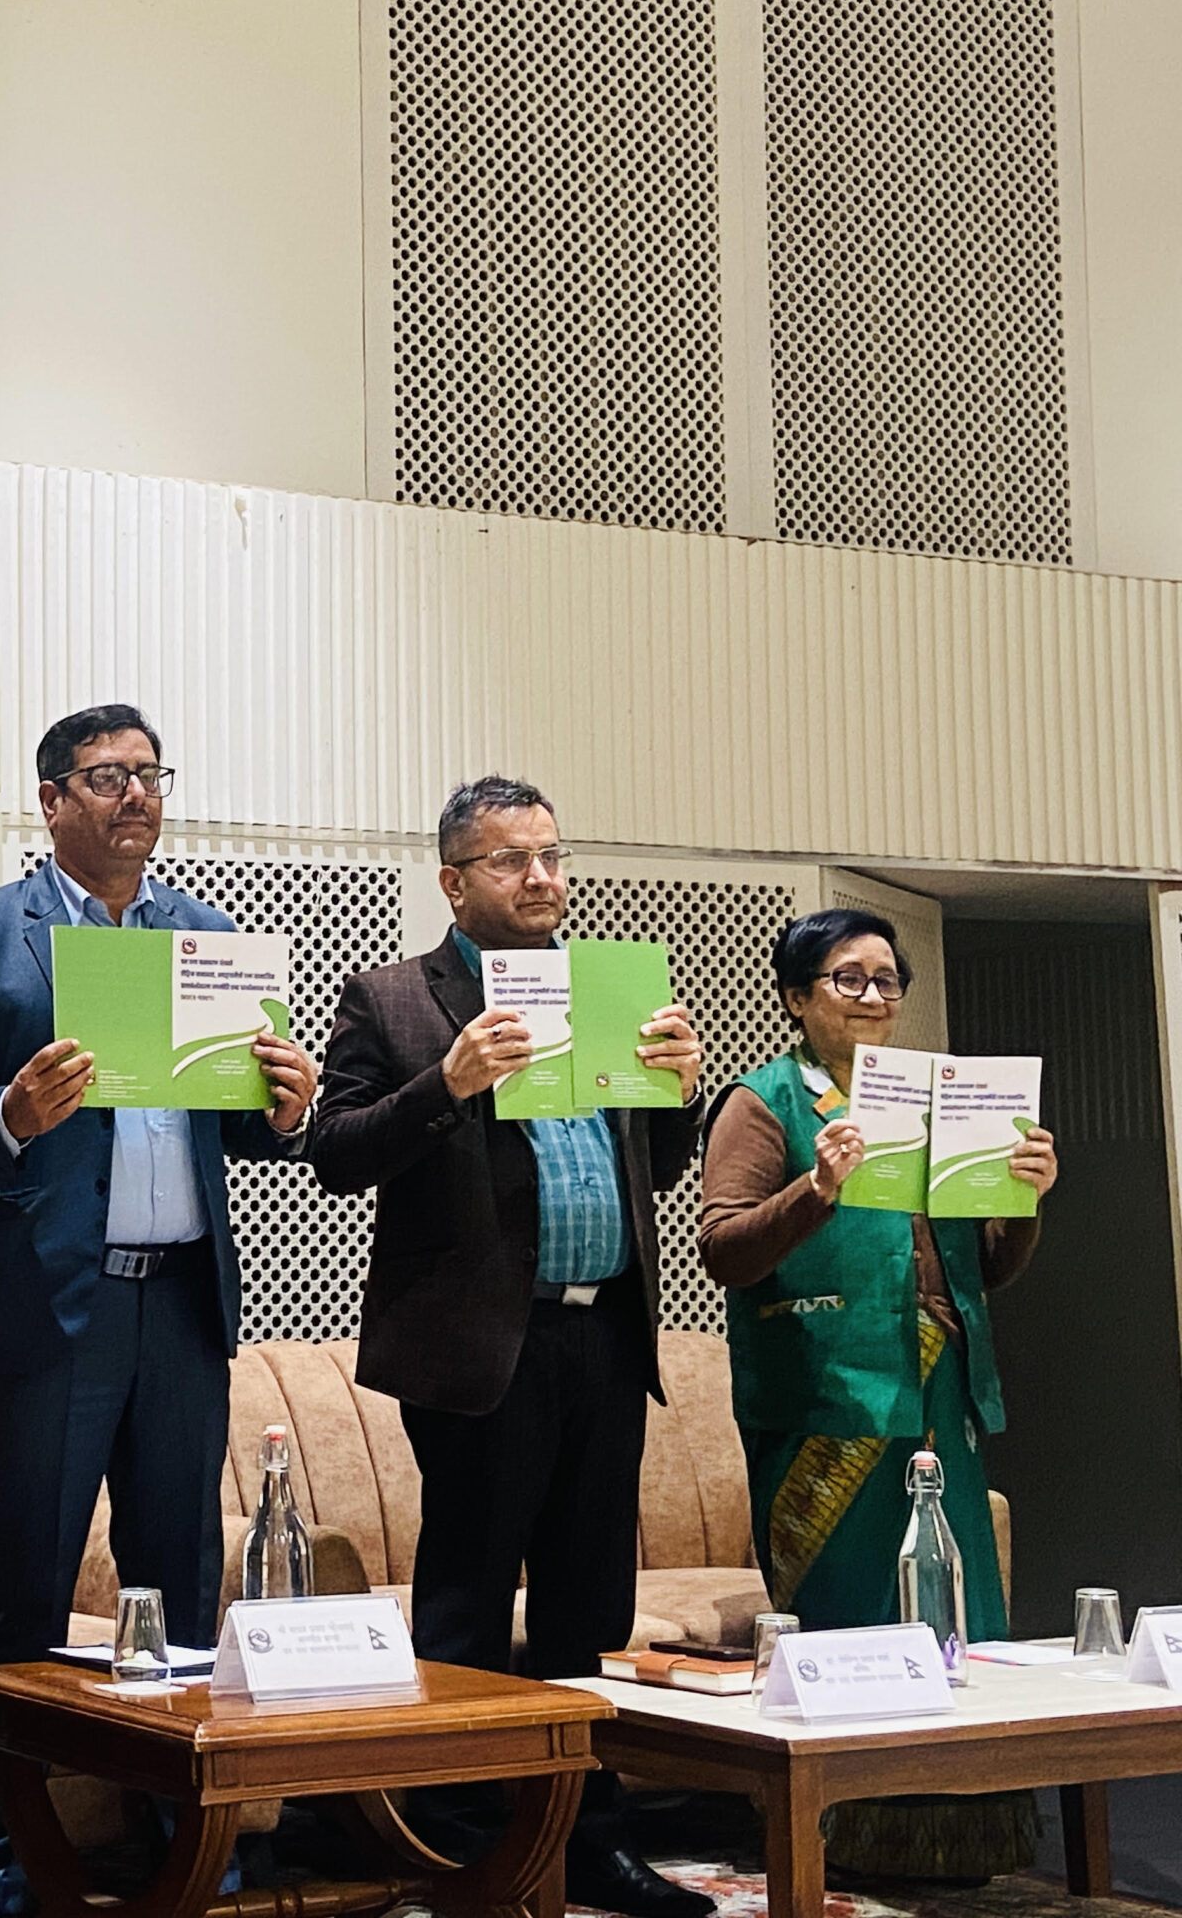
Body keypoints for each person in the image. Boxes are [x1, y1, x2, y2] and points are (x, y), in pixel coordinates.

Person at [0, 704, 321, 1915]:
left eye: (149, 774)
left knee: (180, 1590)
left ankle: (189, 1851)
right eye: (106, 777)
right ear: (50, 800)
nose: (136, 795)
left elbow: (241, 1127)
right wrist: (9, 1113)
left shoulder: (209, 938)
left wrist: (288, 1105)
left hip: (180, 1304)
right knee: (28, 1597)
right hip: (50, 1315)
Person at [305, 775, 711, 1918]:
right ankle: (464, 1846)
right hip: (482, 1344)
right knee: (471, 1600)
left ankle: (588, 1841)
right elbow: (333, 1152)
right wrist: (448, 1082)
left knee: (591, 1605)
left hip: (604, 1333)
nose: (540, 878)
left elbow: (653, 1170)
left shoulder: (607, 991)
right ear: (453, 882)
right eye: (509, 861)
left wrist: (677, 1092)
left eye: (550, 856)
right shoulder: (393, 999)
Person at [699, 908, 1055, 1880]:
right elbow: (724, 1249)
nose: (871, 996)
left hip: (938, 1385)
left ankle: (959, 1839)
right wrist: (816, 1188)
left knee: (955, 1616)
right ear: (795, 997)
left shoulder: (939, 1100)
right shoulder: (763, 1102)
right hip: (823, 1397)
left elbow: (986, 1264)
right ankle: (838, 1840)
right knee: (852, 1609)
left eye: (886, 979)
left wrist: (1023, 1198)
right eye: (846, 978)